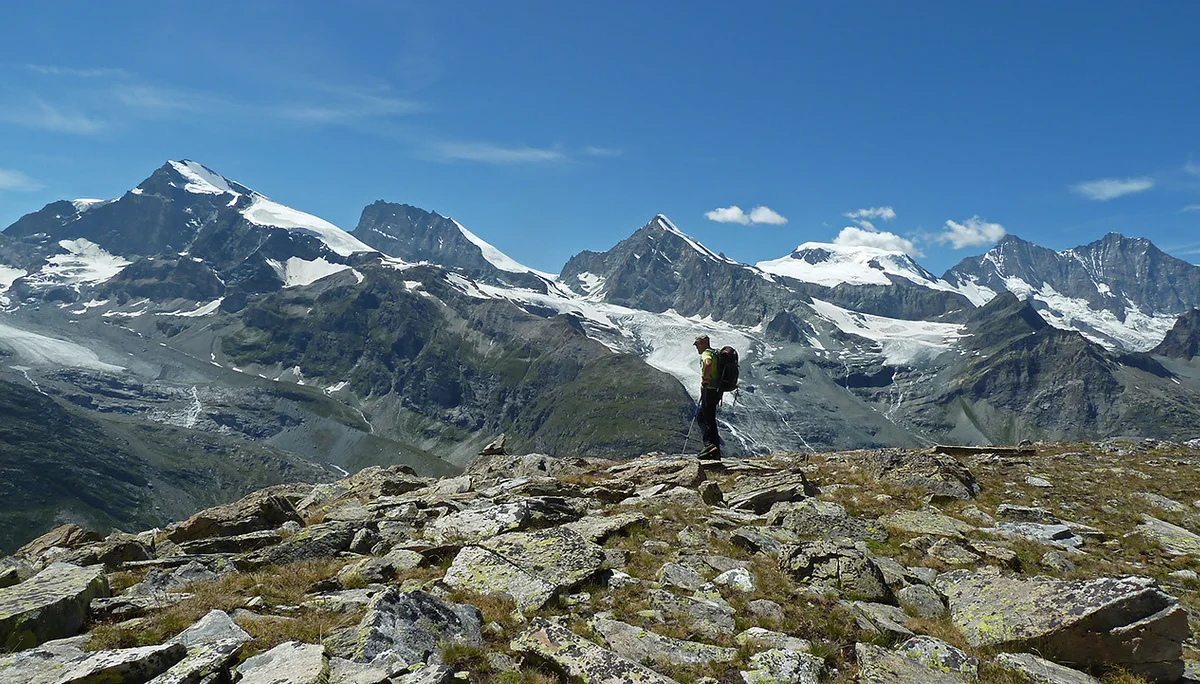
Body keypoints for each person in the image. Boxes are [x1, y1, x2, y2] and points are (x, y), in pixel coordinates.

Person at [693, 334, 722, 459]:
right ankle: (714, 449)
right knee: (708, 418)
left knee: (703, 418)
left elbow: (708, 363)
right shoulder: (714, 353)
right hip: (715, 390)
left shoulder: (706, 354)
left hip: (709, 390)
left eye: (697, 344)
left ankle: (709, 446)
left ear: (702, 343)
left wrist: (705, 379)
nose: (696, 347)